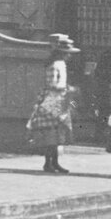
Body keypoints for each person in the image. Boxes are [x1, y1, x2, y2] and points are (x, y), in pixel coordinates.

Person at [27, 43, 79, 174]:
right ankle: (48, 162)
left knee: (58, 133)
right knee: (51, 133)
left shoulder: (61, 64)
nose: (69, 56)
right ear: (61, 53)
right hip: (52, 99)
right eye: (67, 53)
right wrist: (67, 89)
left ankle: (55, 162)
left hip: (61, 99)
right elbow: (52, 84)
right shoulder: (54, 65)